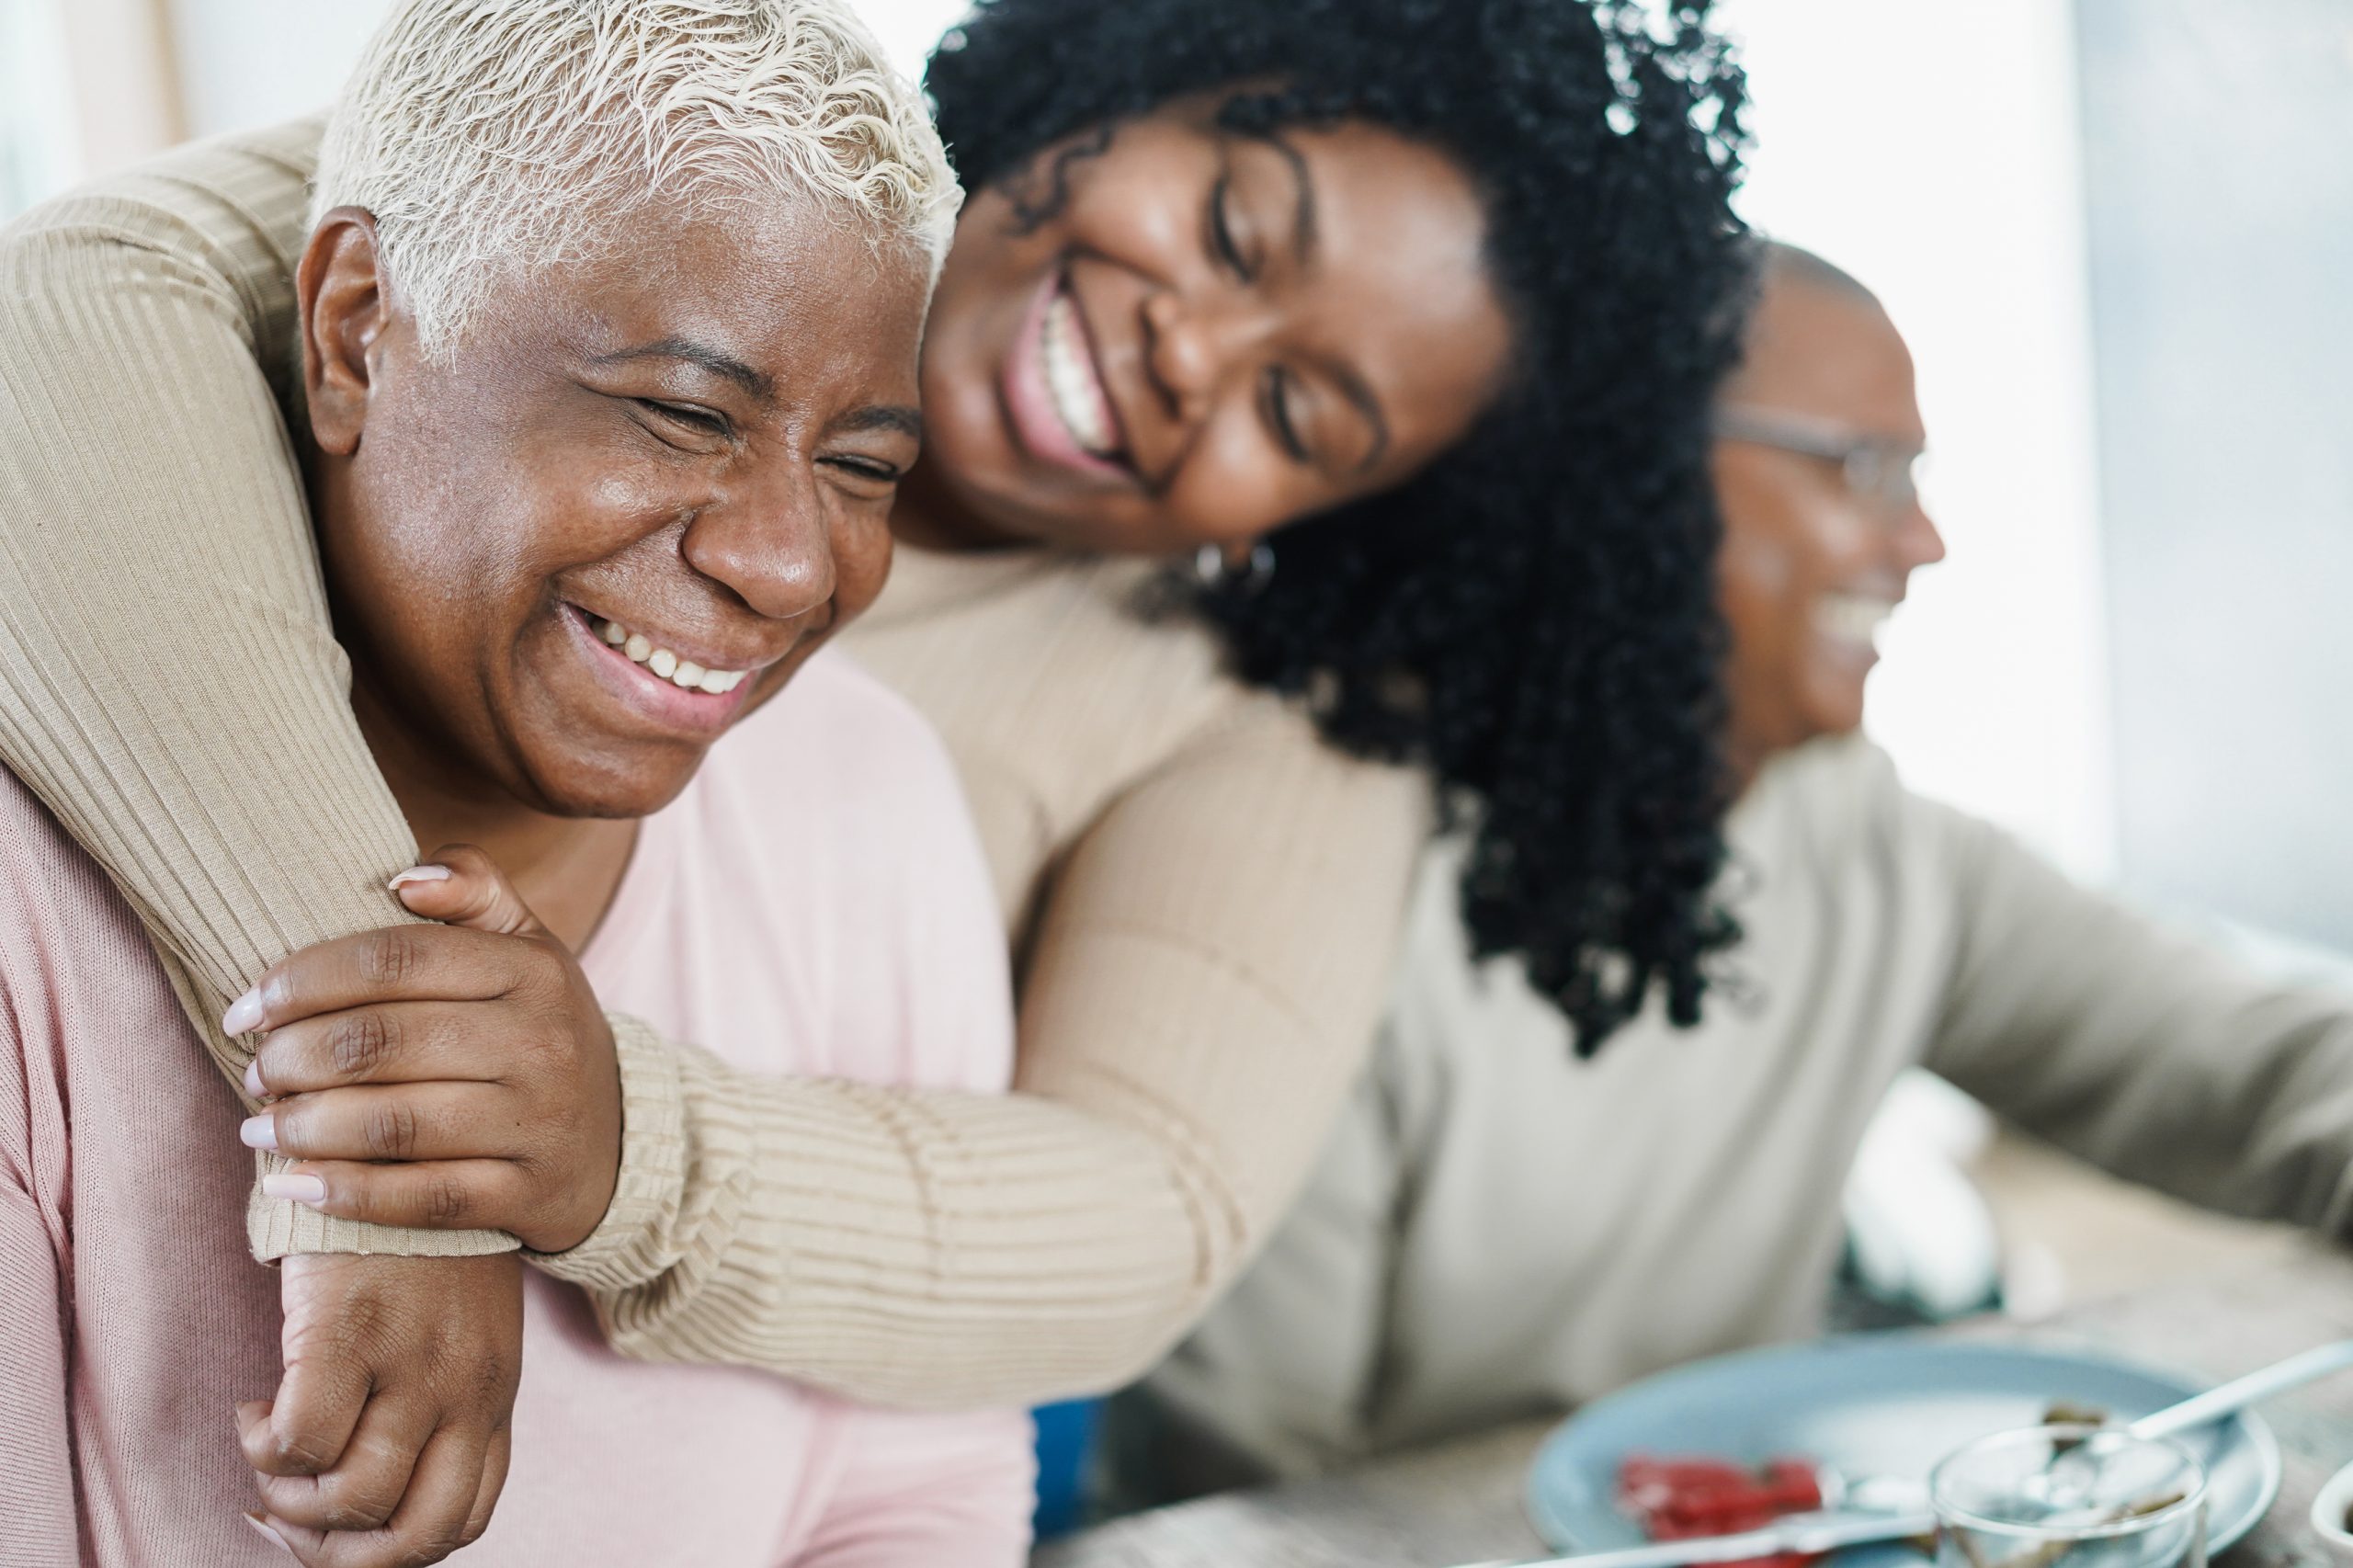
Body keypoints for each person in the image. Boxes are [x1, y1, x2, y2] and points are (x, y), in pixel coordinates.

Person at [0, 0, 1748, 1551]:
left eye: (1300, 417)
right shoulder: (679, 157)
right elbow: (69, 316)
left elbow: (1141, 1224)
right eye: (1229, 225)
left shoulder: (1166, 730)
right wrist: (397, 1160)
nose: (1191, 354)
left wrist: (612, 1142)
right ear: (1132, 80)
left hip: (784, 1375)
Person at [1122, 241, 2353, 1491]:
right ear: (1626, 475)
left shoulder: (1855, 831)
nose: (1921, 540)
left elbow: (2241, 1058)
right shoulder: (1305, 882)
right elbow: (1238, 1495)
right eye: (1864, 469)